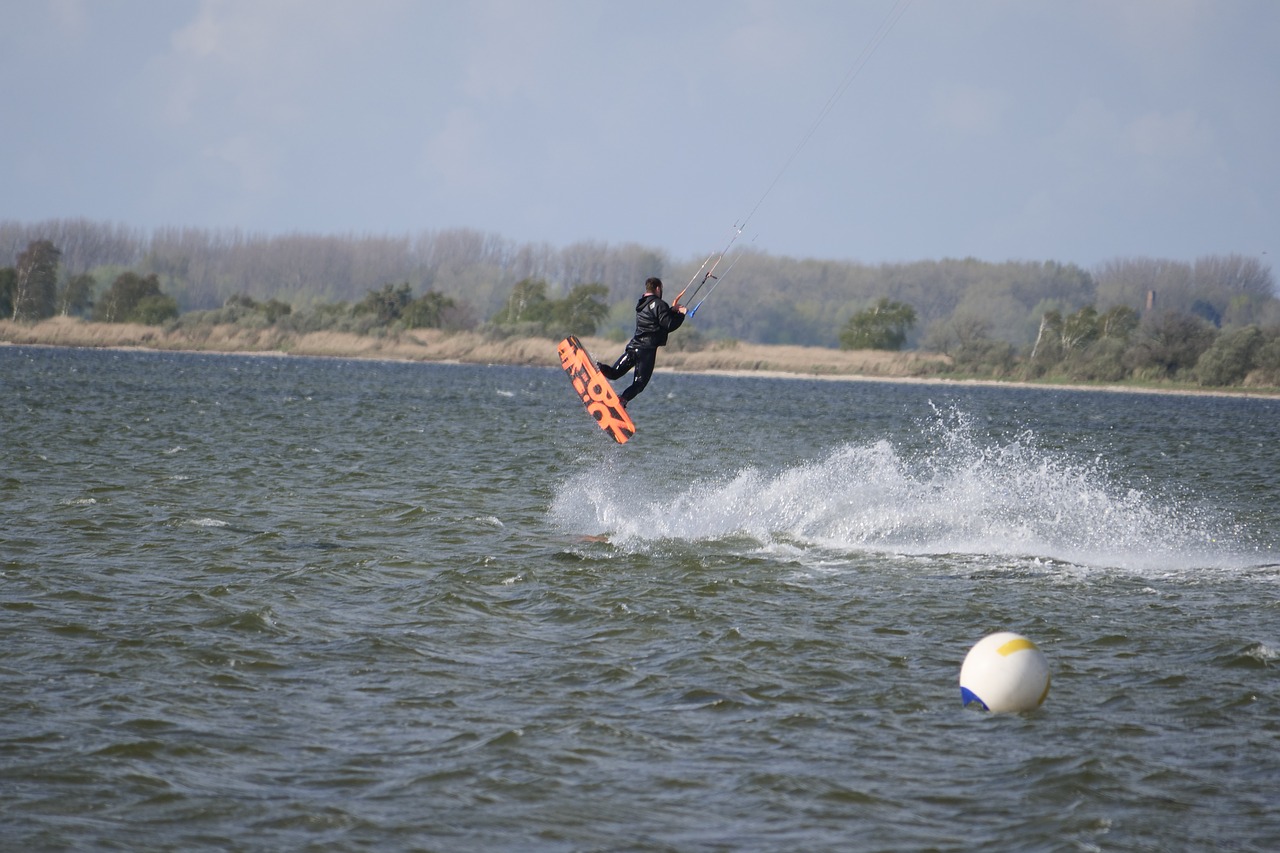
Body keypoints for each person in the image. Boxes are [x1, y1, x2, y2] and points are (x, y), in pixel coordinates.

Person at [597, 276, 687, 406]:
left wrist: (671, 311)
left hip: (634, 346)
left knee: (614, 373)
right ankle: (622, 400)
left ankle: (597, 367)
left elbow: (655, 320)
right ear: (658, 288)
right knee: (639, 383)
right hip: (646, 351)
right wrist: (681, 313)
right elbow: (669, 325)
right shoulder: (660, 304)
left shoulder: (641, 304)